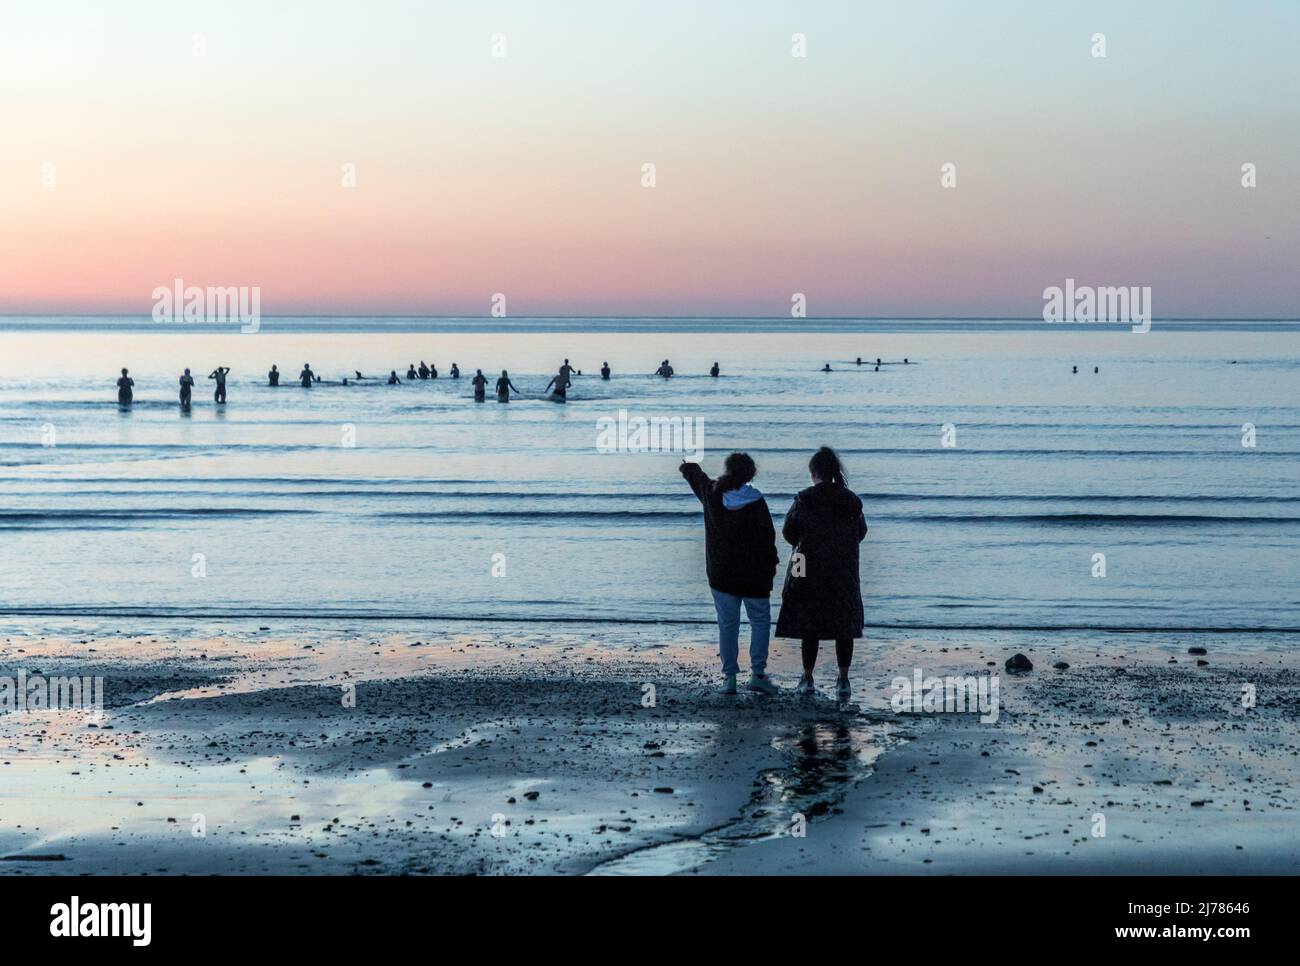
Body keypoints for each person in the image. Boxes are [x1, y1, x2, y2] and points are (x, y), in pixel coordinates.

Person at [680, 454, 780, 695]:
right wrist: (772, 566)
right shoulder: (756, 501)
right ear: (750, 474)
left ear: (727, 471)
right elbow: (768, 539)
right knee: (760, 622)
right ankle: (757, 674)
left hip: (722, 575)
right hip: (755, 576)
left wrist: (688, 465)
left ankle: (730, 679)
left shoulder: (712, 494)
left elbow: (697, 478)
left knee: (728, 625)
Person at [775, 446, 867, 702]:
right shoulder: (851, 501)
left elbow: (788, 533)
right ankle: (844, 680)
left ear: (814, 472)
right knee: (844, 625)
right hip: (843, 568)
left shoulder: (804, 499)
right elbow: (861, 533)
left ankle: (807, 677)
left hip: (806, 565)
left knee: (809, 623)